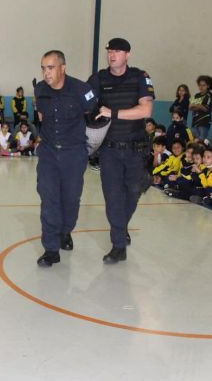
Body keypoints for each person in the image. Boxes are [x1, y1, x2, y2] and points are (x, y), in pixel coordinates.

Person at [91, 38, 154, 263]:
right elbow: (85, 101)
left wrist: (113, 112)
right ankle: (118, 244)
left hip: (136, 150)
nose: (112, 55)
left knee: (134, 193)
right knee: (113, 197)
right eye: (109, 51)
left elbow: (146, 109)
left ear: (128, 54)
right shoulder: (99, 79)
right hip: (109, 151)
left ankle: (120, 226)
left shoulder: (140, 76)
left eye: (117, 51)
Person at [35, 50, 97, 267]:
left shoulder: (82, 90)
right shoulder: (40, 89)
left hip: (73, 153)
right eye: (43, 68)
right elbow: (41, 116)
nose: (46, 73)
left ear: (63, 67)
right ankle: (51, 249)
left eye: (50, 68)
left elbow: (97, 118)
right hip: (49, 153)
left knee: (71, 199)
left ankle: (65, 232)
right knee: (49, 199)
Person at [189, 75, 212, 141]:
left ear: (208, 86)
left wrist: (198, 106)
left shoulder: (209, 95)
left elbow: (206, 109)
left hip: (204, 121)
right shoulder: (197, 95)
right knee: (195, 140)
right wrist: (198, 106)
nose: (201, 87)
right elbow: (190, 107)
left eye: (203, 85)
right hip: (195, 121)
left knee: (201, 140)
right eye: (200, 85)